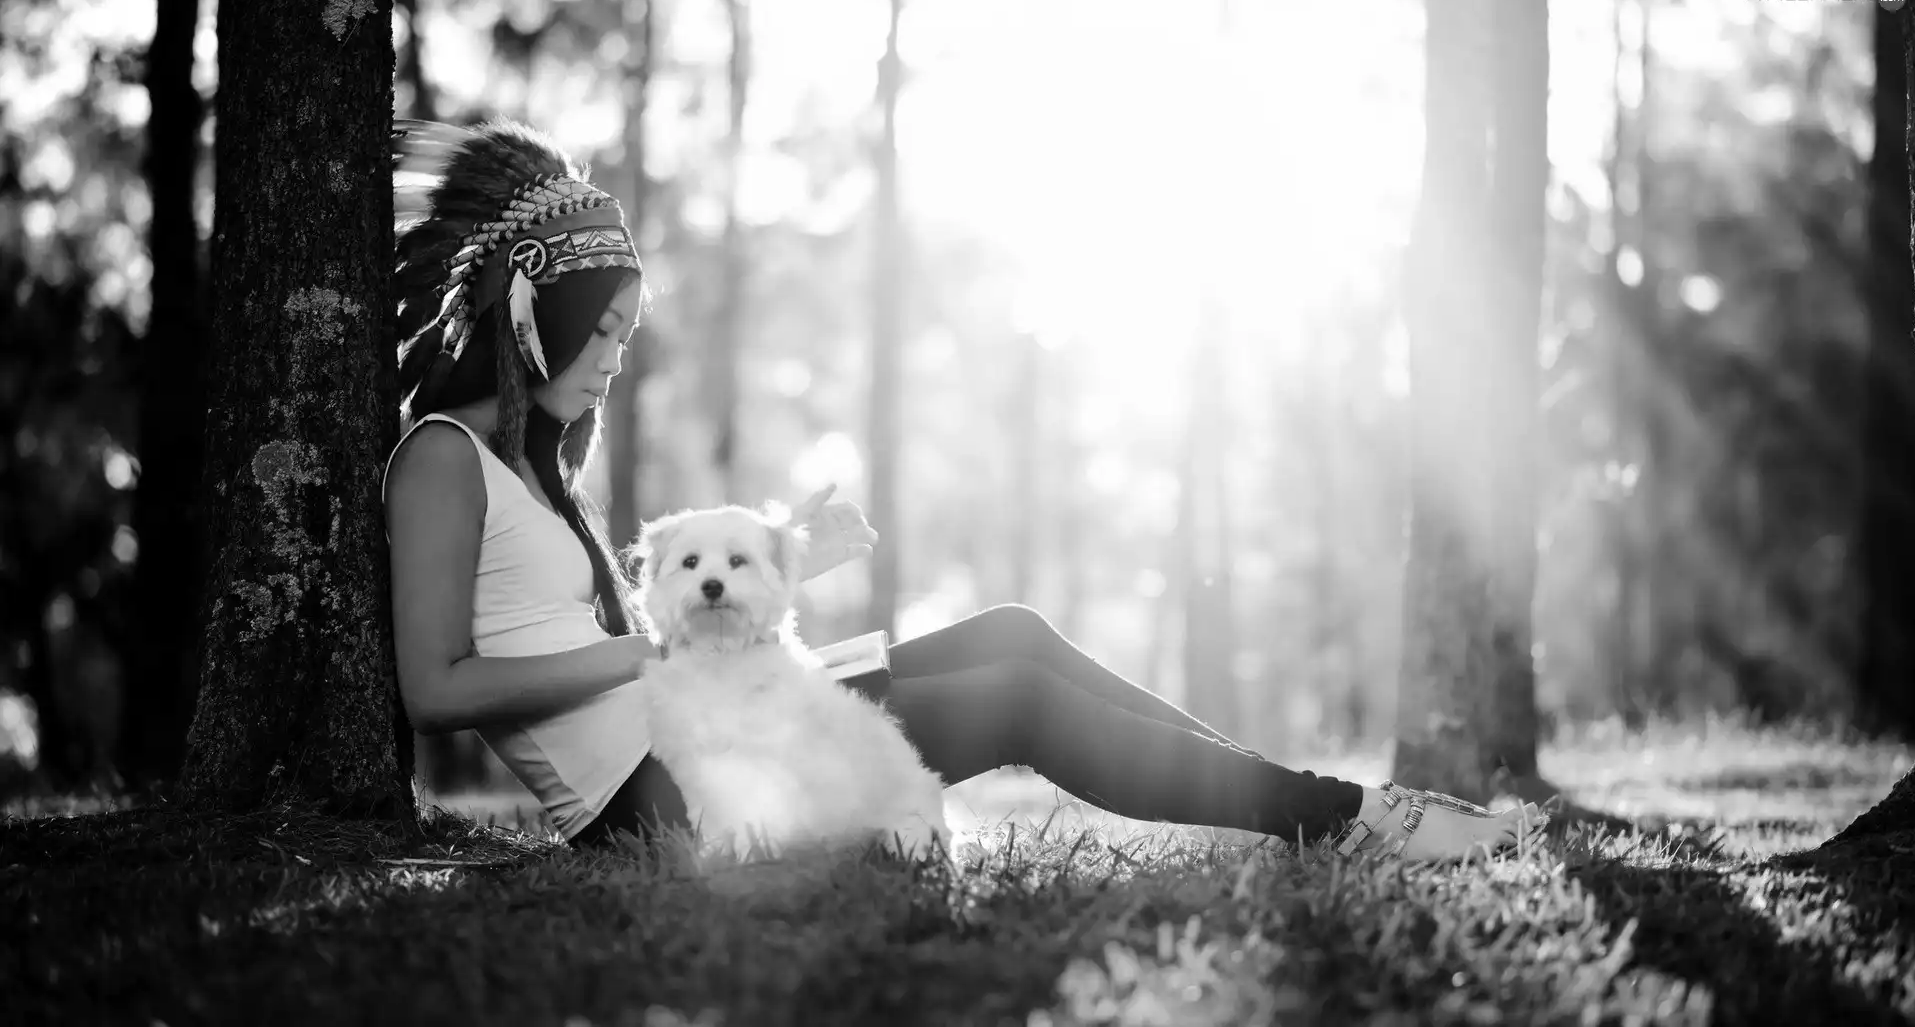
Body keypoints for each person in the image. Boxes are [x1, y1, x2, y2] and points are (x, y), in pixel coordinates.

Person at [381, 118, 1544, 863]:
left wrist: (784, 563)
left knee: (1015, 633)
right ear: (543, 316)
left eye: (628, 335)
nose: (618, 358)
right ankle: (1350, 820)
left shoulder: (536, 466)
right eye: (609, 334)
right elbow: (435, 689)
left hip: (711, 711)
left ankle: (1289, 805)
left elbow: (670, 613)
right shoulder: (442, 458)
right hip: (668, 788)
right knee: (1014, 704)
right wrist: (641, 659)